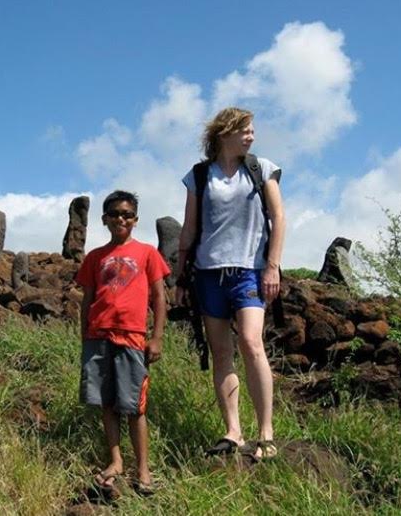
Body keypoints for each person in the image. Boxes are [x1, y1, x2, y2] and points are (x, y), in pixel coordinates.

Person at [175, 107, 285, 461]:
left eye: (252, 130)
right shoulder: (199, 176)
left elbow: (278, 217)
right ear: (225, 133)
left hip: (249, 271)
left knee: (252, 343)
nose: (251, 136)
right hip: (209, 272)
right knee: (221, 352)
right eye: (245, 130)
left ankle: (266, 431)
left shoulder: (261, 169)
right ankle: (233, 430)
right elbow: (189, 229)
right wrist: (180, 275)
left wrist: (272, 267)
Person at [76, 190, 170, 495]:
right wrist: (84, 336)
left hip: (131, 337)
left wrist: (156, 336)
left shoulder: (147, 253)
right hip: (98, 335)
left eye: (127, 214)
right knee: (106, 402)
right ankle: (116, 460)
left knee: (134, 406)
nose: (121, 219)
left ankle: (143, 469)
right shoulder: (94, 257)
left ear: (135, 219)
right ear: (104, 219)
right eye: (115, 214)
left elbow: (159, 297)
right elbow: (87, 299)